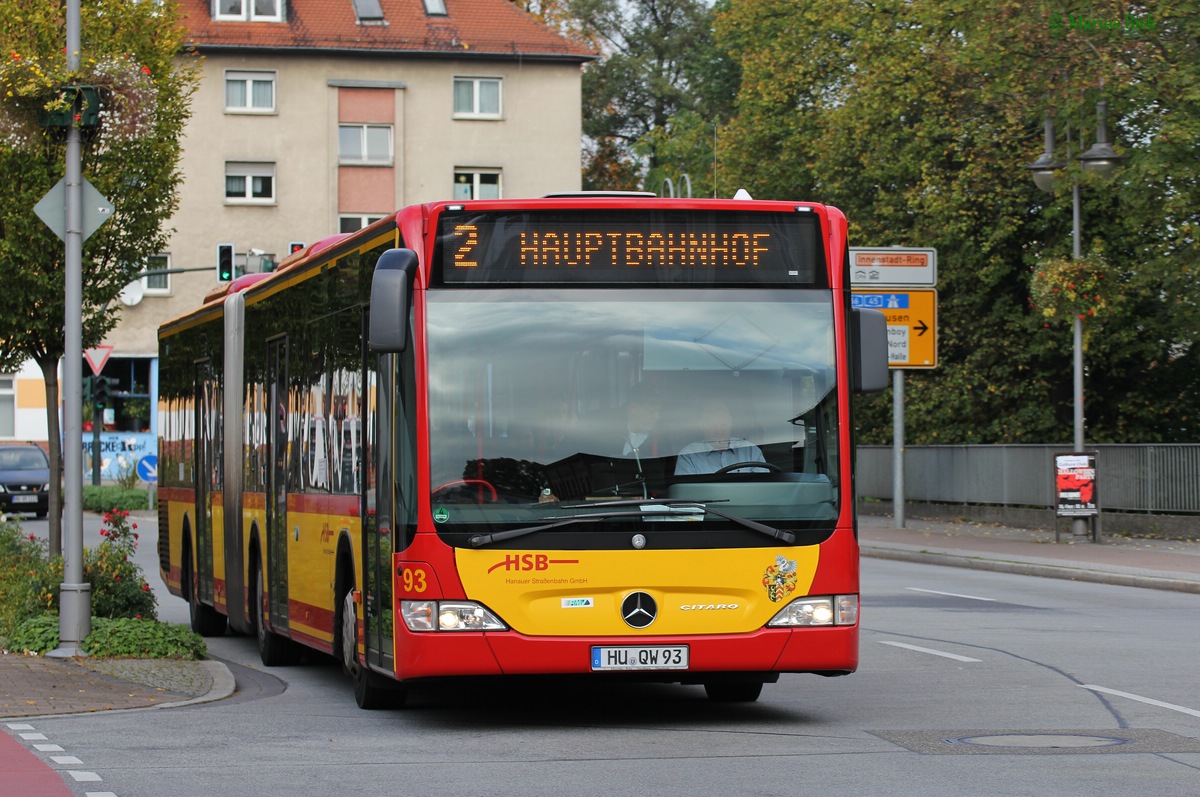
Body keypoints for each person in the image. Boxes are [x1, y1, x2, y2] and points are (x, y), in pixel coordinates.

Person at [674, 398, 768, 475]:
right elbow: (688, 494)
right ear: (701, 425)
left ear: (730, 423)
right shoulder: (689, 456)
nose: (719, 430)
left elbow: (764, 489)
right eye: (713, 424)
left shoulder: (750, 450)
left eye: (723, 423)